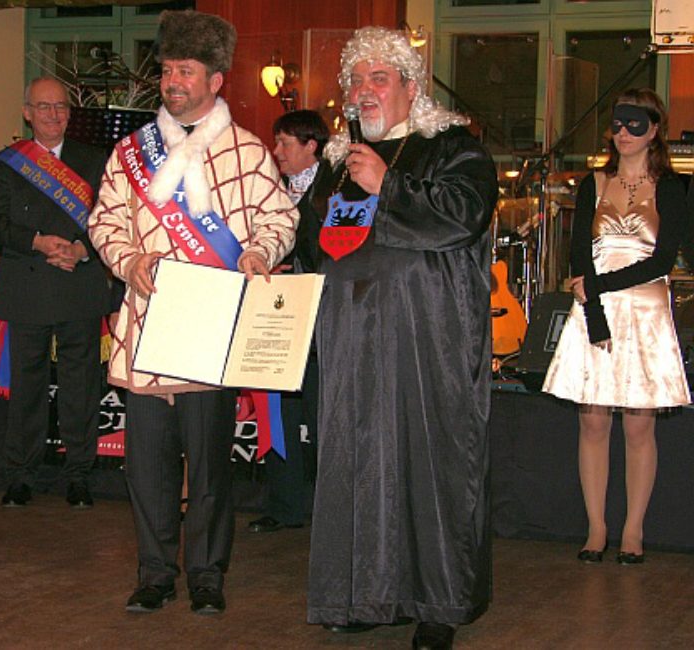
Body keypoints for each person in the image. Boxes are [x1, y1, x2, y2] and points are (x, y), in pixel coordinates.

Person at [88, 10, 298, 616]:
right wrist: (128, 262)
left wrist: (259, 250)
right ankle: (154, 573)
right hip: (148, 327)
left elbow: (280, 218)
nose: (174, 80)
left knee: (209, 468)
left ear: (216, 80)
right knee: (147, 468)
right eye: (169, 69)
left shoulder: (247, 152)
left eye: (187, 70)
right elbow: (104, 220)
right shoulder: (131, 153)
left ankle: (207, 575)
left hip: (213, 330)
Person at [305, 27, 498, 650]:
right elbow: (316, 239)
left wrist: (387, 182)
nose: (364, 91)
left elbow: (460, 217)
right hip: (352, 337)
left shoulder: (453, 147)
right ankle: (366, 595)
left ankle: (437, 603)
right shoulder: (337, 162)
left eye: (379, 78)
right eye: (355, 81)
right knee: (356, 463)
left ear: (411, 88)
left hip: (428, 338)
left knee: (431, 462)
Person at [543, 88, 690, 565]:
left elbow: (664, 259)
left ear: (654, 128)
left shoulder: (671, 186)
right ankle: (596, 527)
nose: (622, 133)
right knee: (592, 420)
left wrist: (601, 284)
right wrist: (594, 306)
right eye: (618, 124)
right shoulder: (595, 181)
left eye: (634, 124)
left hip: (645, 312)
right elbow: (579, 250)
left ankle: (633, 530)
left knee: (639, 425)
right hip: (594, 307)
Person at [0, 77, 111, 509]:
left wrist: (80, 249)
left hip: (78, 283)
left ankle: (79, 475)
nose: (53, 115)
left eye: (60, 107)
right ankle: (21, 474)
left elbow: (111, 221)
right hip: (29, 285)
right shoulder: (7, 163)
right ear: (27, 112)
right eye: (43, 107)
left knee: (80, 388)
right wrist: (37, 242)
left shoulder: (94, 160)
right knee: (28, 388)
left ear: (69, 114)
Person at [247, 110, 329, 534]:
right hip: (277, 318)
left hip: (321, 323)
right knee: (277, 413)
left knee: (322, 417)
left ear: (311, 145)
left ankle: (330, 508)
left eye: (285, 144)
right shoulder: (269, 192)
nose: (276, 152)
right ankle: (283, 505)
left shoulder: (336, 190)